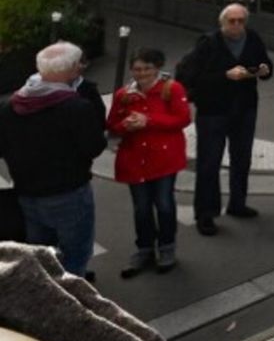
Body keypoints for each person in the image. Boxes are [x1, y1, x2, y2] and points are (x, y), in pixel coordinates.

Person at [0, 42, 106, 280]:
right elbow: (94, 147)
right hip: (69, 194)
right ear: (72, 71)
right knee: (77, 252)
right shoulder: (76, 107)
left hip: (27, 193)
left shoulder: (9, 106)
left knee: (42, 252)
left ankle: (48, 292)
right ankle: (73, 297)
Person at [177, 3, 273, 236]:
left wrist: (263, 70)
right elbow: (192, 77)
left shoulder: (252, 39)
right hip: (213, 111)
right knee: (209, 163)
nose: (237, 26)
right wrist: (225, 76)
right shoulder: (209, 44)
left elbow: (267, 65)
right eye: (232, 21)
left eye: (241, 21)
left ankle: (237, 203)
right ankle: (206, 214)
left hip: (245, 109)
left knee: (242, 158)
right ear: (222, 23)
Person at [106, 48, 191, 277]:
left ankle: (167, 247)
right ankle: (144, 248)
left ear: (157, 68)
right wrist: (127, 125)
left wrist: (149, 120)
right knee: (141, 208)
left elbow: (183, 118)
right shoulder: (124, 94)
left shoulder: (171, 89)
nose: (141, 73)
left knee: (164, 204)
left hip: (164, 158)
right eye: (137, 69)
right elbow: (113, 124)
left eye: (147, 68)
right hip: (135, 158)